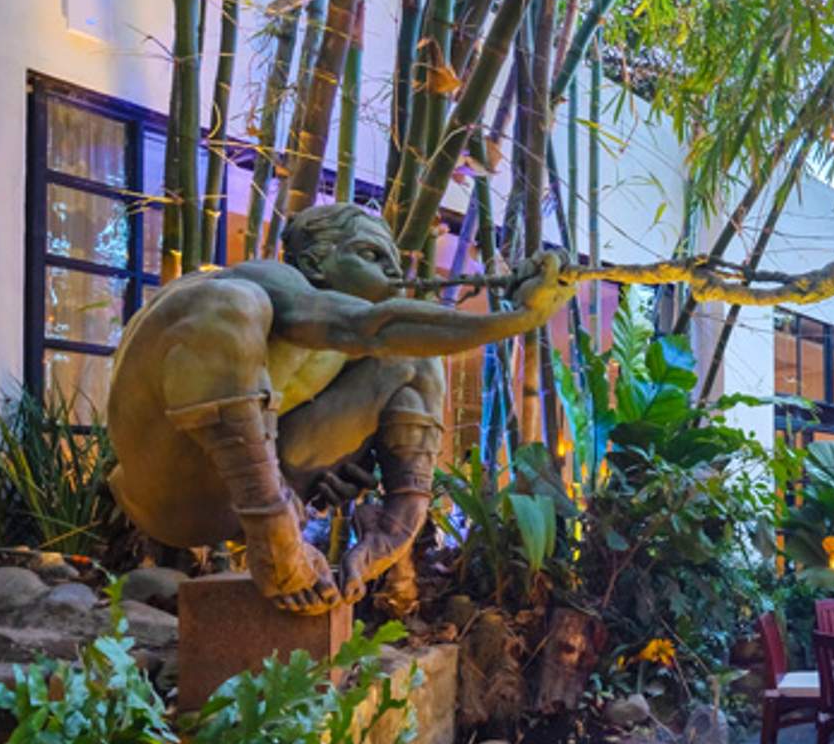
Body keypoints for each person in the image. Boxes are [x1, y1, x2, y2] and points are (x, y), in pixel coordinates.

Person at [106, 203, 571, 614]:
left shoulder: (353, 348)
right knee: (225, 302)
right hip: (164, 490)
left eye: (394, 263)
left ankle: (367, 531)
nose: (392, 276)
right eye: (370, 256)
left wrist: (393, 528)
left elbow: (378, 333)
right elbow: (367, 326)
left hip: (230, 497)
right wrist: (515, 318)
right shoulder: (270, 284)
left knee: (414, 357)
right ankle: (275, 535)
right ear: (315, 262)